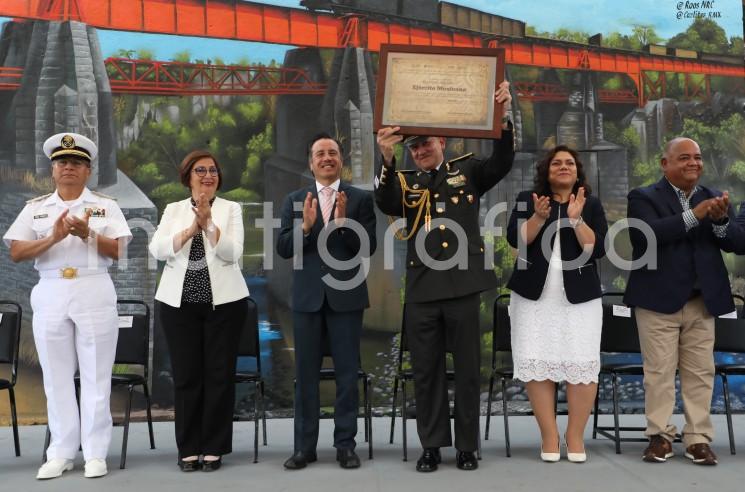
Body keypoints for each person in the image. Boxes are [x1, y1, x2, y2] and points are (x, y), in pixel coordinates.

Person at [374, 81, 514, 472]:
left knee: (468, 368)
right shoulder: (404, 180)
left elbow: (501, 162)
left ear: (442, 141)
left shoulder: (466, 170)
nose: (420, 152)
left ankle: (467, 446)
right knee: (426, 370)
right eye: (413, 147)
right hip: (422, 288)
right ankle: (432, 445)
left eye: (426, 144)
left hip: (463, 284)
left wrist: (503, 117)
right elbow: (384, 201)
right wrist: (385, 159)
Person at [3, 133, 132, 479]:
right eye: (62, 163)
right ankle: (60, 451)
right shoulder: (37, 208)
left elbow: (119, 251)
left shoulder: (106, 206)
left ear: (88, 170)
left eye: (76, 163)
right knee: (56, 377)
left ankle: (94, 453)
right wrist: (55, 237)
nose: (69, 168)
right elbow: (16, 251)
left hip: (93, 288)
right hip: (52, 289)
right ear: (53, 170)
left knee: (95, 375)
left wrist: (86, 234)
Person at [625, 137, 742, 466]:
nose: (694, 163)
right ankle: (660, 437)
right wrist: (694, 215)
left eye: (698, 158)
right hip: (657, 300)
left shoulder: (714, 198)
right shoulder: (643, 196)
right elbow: (645, 235)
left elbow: (737, 242)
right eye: (685, 158)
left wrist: (718, 221)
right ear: (665, 164)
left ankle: (697, 439)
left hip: (702, 301)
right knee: (659, 372)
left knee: (700, 373)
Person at [277, 133, 377, 470]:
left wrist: (342, 225)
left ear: (341, 160)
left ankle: (345, 446)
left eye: (332, 152)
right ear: (311, 161)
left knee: (347, 376)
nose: (326, 158)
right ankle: (304, 447)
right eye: (320, 153)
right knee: (305, 377)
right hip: (307, 300)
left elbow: (368, 248)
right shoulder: (294, 199)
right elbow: (283, 247)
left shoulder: (360, 199)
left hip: (346, 300)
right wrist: (305, 228)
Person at [505, 145, 607, 463]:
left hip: (580, 299)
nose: (563, 167)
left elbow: (598, 248)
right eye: (556, 163)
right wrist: (537, 217)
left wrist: (577, 221)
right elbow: (516, 239)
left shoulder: (590, 203)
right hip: (534, 297)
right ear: (546, 171)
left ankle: (574, 436)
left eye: (569, 163)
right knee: (538, 362)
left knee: (582, 364)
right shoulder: (528, 199)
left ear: (577, 171)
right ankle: (549, 436)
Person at [149, 150, 249, 472]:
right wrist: (191, 228)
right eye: (200, 170)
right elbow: (158, 249)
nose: (208, 176)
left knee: (219, 375)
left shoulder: (231, 209)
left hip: (225, 304)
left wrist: (209, 226)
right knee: (187, 376)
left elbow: (234, 253)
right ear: (188, 176)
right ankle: (188, 448)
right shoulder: (174, 209)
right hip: (178, 305)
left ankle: (214, 447)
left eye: (213, 171)